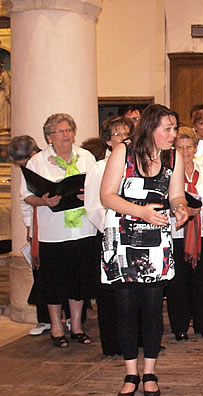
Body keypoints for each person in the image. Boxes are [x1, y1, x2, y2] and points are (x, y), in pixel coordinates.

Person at [100, 104, 188, 396]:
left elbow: (176, 193)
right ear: (150, 128)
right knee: (126, 308)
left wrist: (180, 207)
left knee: (152, 308)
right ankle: (130, 372)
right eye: (168, 128)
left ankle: (149, 371)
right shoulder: (123, 153)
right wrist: (141, 212)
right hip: (122, 238)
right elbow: (107, 195)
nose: (173, 134)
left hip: (155, 240)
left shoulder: (172, 158)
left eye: (175, 128)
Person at [21, 114, 97, 348]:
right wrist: (44, 201)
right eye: (60, 131)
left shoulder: (86, 157)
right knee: (53, 283)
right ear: (48, 137)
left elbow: (101, 187)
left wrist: (90, 194)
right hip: (53, 232)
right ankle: (56, 326)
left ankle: (76, 326)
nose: (66, 135)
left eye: (69, 130)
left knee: (78, 281)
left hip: (84, 230)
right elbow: (26, 195)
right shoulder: (38, 161)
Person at [84, 116, 133, 357]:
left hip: (134, 235)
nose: (124, 138)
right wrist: (115, 229)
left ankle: (138, 340)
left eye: (127, 134)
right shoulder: (98, 168)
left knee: (134, 289)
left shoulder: (136, 163)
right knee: (111, 292)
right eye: (118, 134)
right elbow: (94, 207)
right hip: (110, 235)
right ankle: (114, 343)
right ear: (107, 141)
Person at [166, 127, 203, 341]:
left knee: (202, 281)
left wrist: (201, 210)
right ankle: (180, 326)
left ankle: (202, 324)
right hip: (176, 233)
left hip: (202, 233)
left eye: (189, 147)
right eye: (180, 147)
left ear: (196, 149)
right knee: (178, 285)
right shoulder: (168, 174)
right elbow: (162, 202)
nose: (185, 152)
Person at [10, 135, 52, 336]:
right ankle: (44, 319)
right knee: (41, 274)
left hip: (55, 224)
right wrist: (29, 228)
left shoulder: (46, 163)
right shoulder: (29, 170)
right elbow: (24, 199)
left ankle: (66, 318)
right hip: (37, 226)